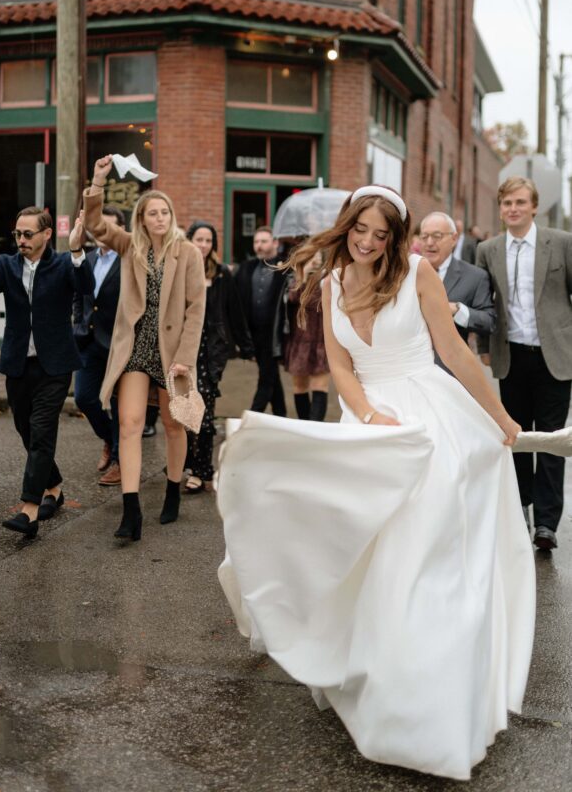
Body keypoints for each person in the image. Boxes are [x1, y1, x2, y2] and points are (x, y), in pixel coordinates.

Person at [217, 184, 535, 781]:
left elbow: (455, 352)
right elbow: (339, 364)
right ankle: (374, 671)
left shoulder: (418, 274)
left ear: (397, 239)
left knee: (422, 550)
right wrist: (366, 413)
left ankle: (432, 700)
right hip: (369, 418)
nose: (366, 242)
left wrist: (500, 416)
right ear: (347, 228)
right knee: (363, 548)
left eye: (379, 235)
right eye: (358, 230)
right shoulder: (332, 280)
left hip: (429, 416)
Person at [83, 157, 206, 542]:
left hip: (173, 353)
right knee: (129, 424)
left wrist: (186, 356)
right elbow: (95, 225)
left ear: (171, 216)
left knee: (174, 424)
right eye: (152, 212)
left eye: (164, 211)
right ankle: (131, 510)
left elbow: (195, 308)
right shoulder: (129, 245)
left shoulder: (188, 253)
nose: (159, 217)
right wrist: (98, 182)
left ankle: (172, 489)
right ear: (141, 218)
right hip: (135, 350)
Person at [0, 205, 93, 539]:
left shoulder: (65, 263)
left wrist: (78, 250)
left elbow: (85, 285)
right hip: (18, 363)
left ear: (47, 234)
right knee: (25, 429)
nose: (21, 240)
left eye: (28, 234)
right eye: (17, 234)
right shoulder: (8, 264)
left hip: (55, 365)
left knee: (41, 431)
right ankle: (53, 487)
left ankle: (29, 510)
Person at [477, 176, 572, 551]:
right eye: (506, 204)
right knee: (514, 436)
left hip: (555, 356)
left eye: (520, 202)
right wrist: (485, 346)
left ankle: (547, 524)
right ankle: (521, 509)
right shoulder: (488, 249)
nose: (513, 209)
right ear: (500, 210)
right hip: (510, 356)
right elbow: (486, 303)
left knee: (550, 439)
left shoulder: (561, 243)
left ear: (534, 207)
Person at [184, 221, 254, 493]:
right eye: (198, 239)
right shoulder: (181, 270)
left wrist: (247, 347)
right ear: (189, 240)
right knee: (184, 411)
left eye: (208, 241)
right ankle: (189, 461)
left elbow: (234, 312)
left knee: (204, 410)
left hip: (211, 350)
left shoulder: (222, 274)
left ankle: (201, 471)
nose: (203, 245)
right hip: (184, 349)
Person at [73, 205, 124, 486]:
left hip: (117, 344)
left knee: (119, 404)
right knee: (84, 397)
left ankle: (118, 460)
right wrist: (77, 323)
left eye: (111, 226)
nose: (104, 231)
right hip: (88, 341)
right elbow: (78, 295)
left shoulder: (129, 260)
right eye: (100, 226)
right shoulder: (88, 258)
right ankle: (107, 437)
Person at [418, 211, 495, 346]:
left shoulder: (474, 277)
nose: (429, 243)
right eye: (424, 237)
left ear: (454, 239)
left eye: (437, 236)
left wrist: (457, 310)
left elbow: (489, 321)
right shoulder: (403, 273)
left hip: (450, 363)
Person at [234, 227, 287, 417]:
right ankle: (281, 416)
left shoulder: (285, 268)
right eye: (256, 242)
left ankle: (252, 417)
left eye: (264, 241)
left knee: (267, 378)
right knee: (270, 376)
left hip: (273, 333)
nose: (259, 246)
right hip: (252, 332)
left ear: (275, 243)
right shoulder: (247, 268)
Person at [282, 249, 330, 421]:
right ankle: (304, 426)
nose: (315, 261)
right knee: (299, 386)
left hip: (322, 341)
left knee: (320, 386)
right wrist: (303, 276)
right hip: (299, 341)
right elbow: (293, 299)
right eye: (311, 258)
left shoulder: (327, 279)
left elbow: (322, 302)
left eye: (317, 256)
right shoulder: (295, 279)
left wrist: (317, 277)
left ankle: (315, 428)